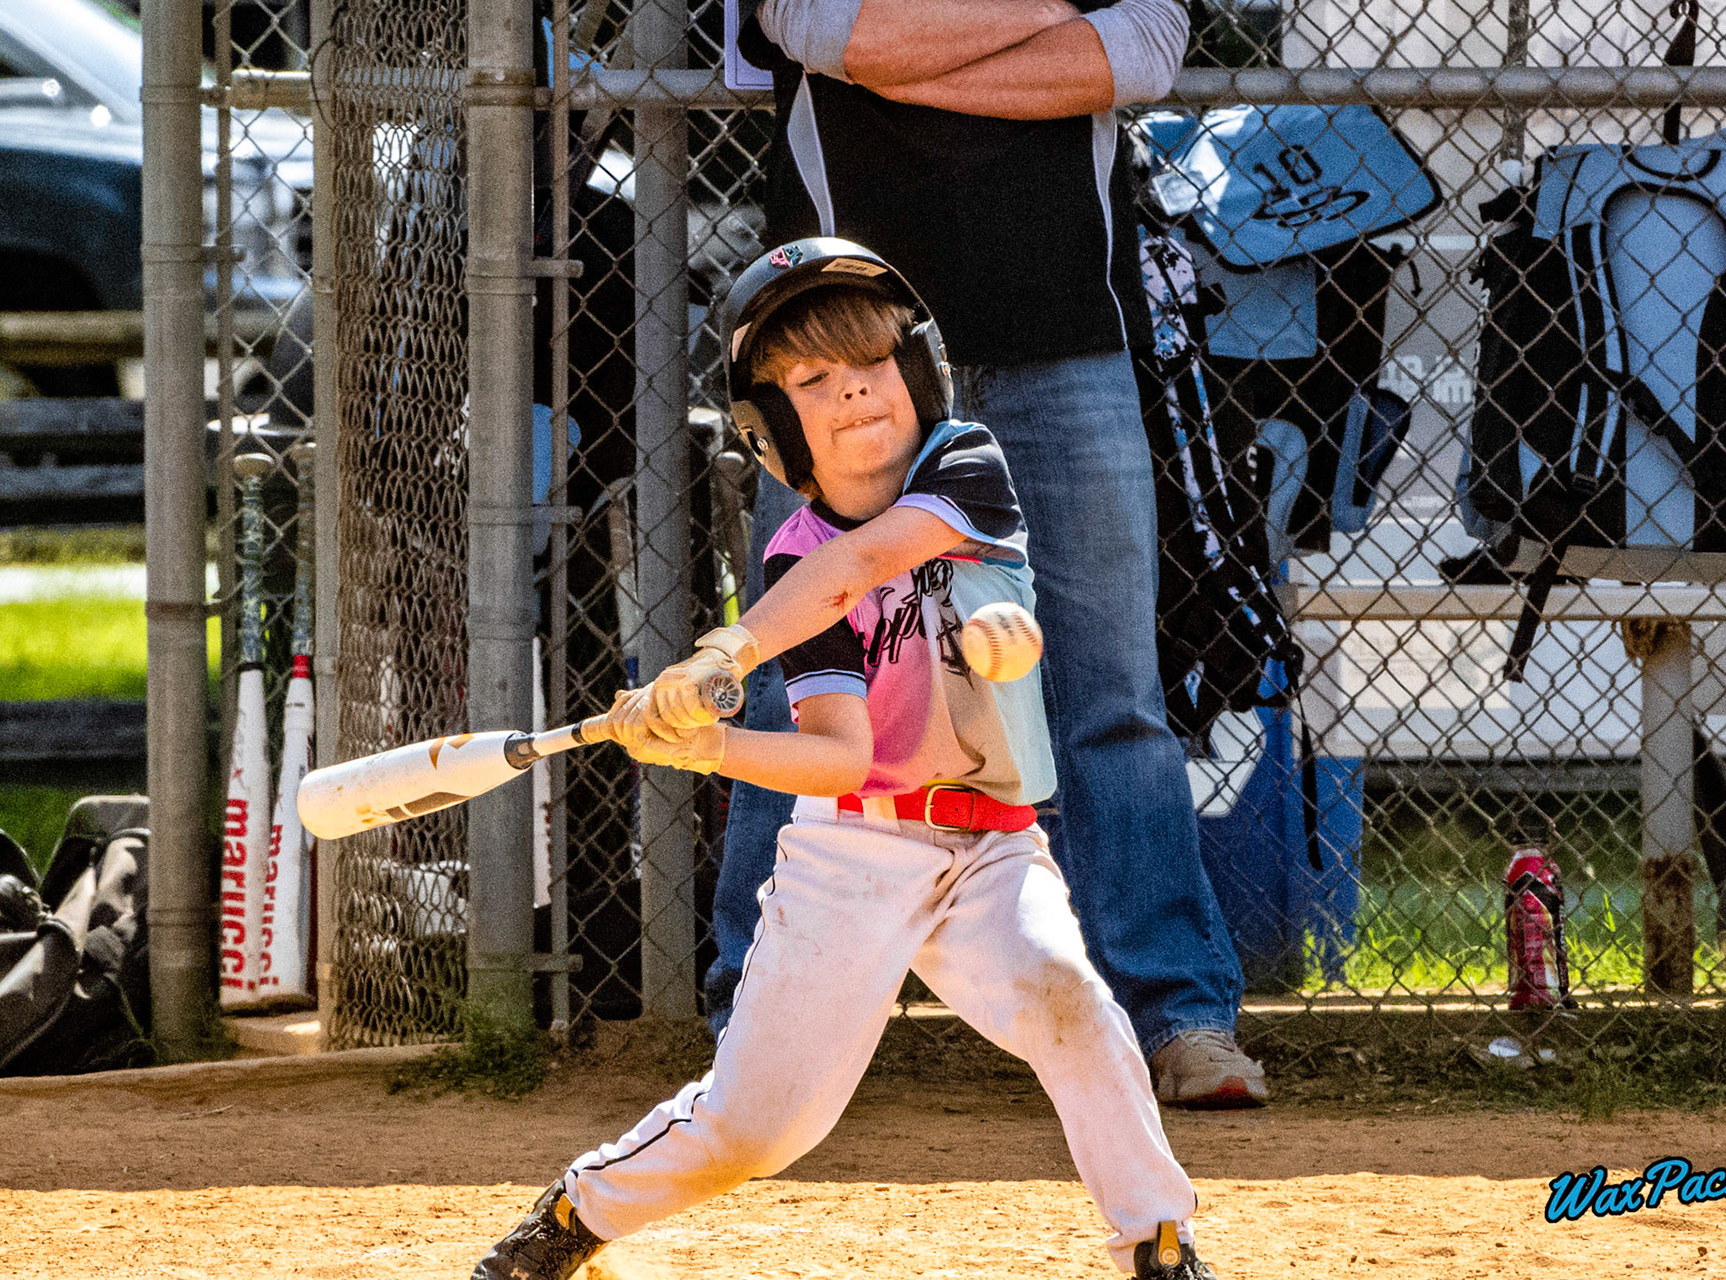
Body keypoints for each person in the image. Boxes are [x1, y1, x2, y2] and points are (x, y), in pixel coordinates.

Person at [470, 239, 1221, 1280]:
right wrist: (708, 742)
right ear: (774, 430)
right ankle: (577, 1212)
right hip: (850, 855)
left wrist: (729, 647)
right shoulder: (788, 559)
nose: (855, 391)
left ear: (919, 372)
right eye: (812, 382)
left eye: (871, 362)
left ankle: (1157, 1239)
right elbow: (838, 758)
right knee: (761, 1128)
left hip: (994, 846)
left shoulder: (962, 464)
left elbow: (860, 564)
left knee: (1068, 997)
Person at [709, 0, 1269, 1109]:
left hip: (1065, 331)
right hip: (843, 355)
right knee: (801, 687)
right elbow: (836, 36)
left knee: (1111, 691)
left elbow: (1144, 51)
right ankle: (757, 1018)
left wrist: (908, 63)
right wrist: (1053, 19)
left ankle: (1177, 1016)